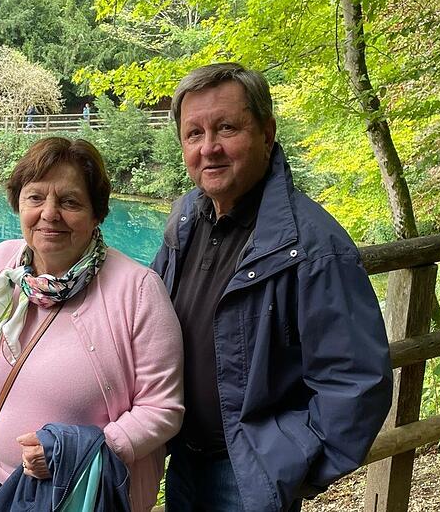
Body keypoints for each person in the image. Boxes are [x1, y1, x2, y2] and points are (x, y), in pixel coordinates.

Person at [151, 63, 393, 512]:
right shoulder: (186, 218)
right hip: (183, 463)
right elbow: (147, 316)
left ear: (266, 132)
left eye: (227, 128)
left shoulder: (313, 245)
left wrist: (292, 465)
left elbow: (357, 380)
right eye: (194, 134)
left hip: (249, 477)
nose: (210, 148)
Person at [0, 137, 184, 511]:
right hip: (1, 486)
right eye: (35, 197)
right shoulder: (2, 263)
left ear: (96, 213)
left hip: (84, 495)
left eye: (70, 201)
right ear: (18, 202)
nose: (50, 214)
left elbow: (163, 408)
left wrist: (74, 454)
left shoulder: (137, 289)